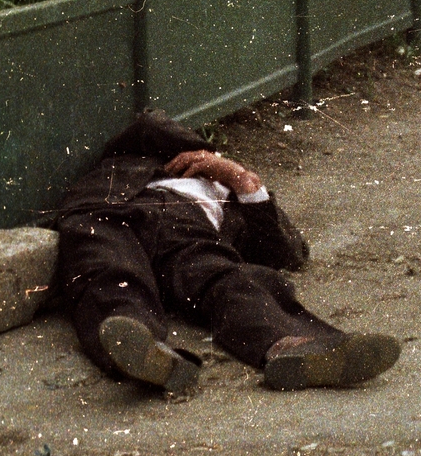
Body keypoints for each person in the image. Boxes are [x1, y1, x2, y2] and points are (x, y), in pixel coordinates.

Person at [54, 111, 400, 395]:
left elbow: (289, 254)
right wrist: (197, 150)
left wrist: (240, 178)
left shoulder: (232, 193)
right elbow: (150, 125)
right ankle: (142, 347)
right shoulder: (130, 165)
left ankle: (293, 346)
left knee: (229, 279)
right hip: (114, 213)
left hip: (188, 228)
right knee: (109, 270)